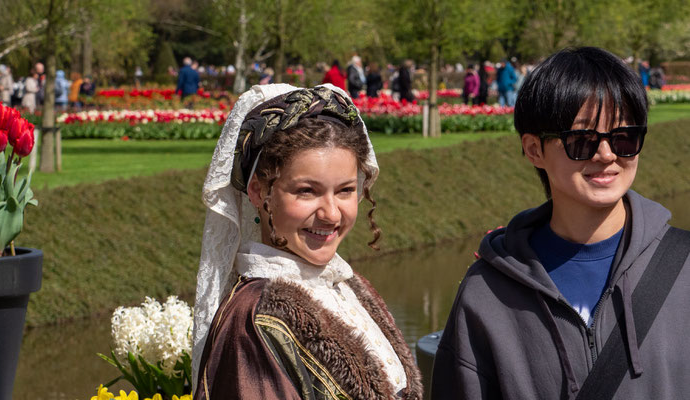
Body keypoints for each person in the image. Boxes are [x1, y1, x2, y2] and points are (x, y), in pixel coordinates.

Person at [432, 46, 690, 399]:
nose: (607, 154)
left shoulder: (683, 268)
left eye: (624, 137)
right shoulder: (486, 294)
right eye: (582, 141)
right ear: (534, 150)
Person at [192, 84, 423, 399]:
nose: (330, 214)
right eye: (306, 191)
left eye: (345, 190)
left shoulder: (347, 287)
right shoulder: (256, 321)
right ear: (259, 192)